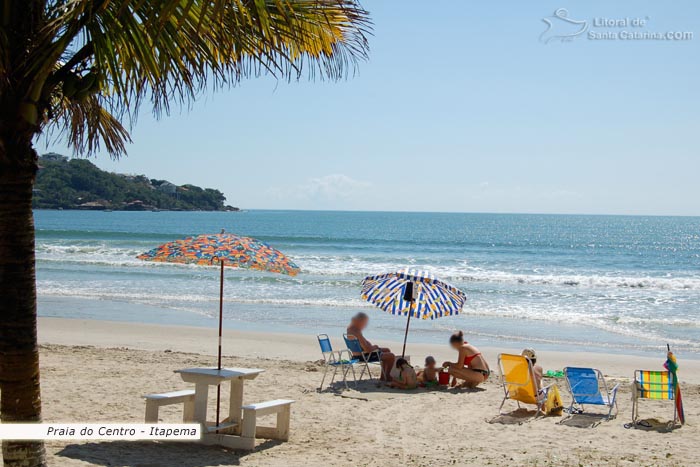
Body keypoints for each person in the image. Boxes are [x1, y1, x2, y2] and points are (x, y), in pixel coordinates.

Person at [347, 312, 395, 382]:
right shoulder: (356, 333)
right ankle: (387, 376)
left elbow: (364, 346)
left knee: (387, 350)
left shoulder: (351, 331)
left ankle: (383, 376)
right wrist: (375, 347)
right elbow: (368, 349)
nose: (365, 325)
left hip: (356, 355)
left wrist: (370, 345)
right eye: (364, 322)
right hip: (364, 357)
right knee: (391, 356)